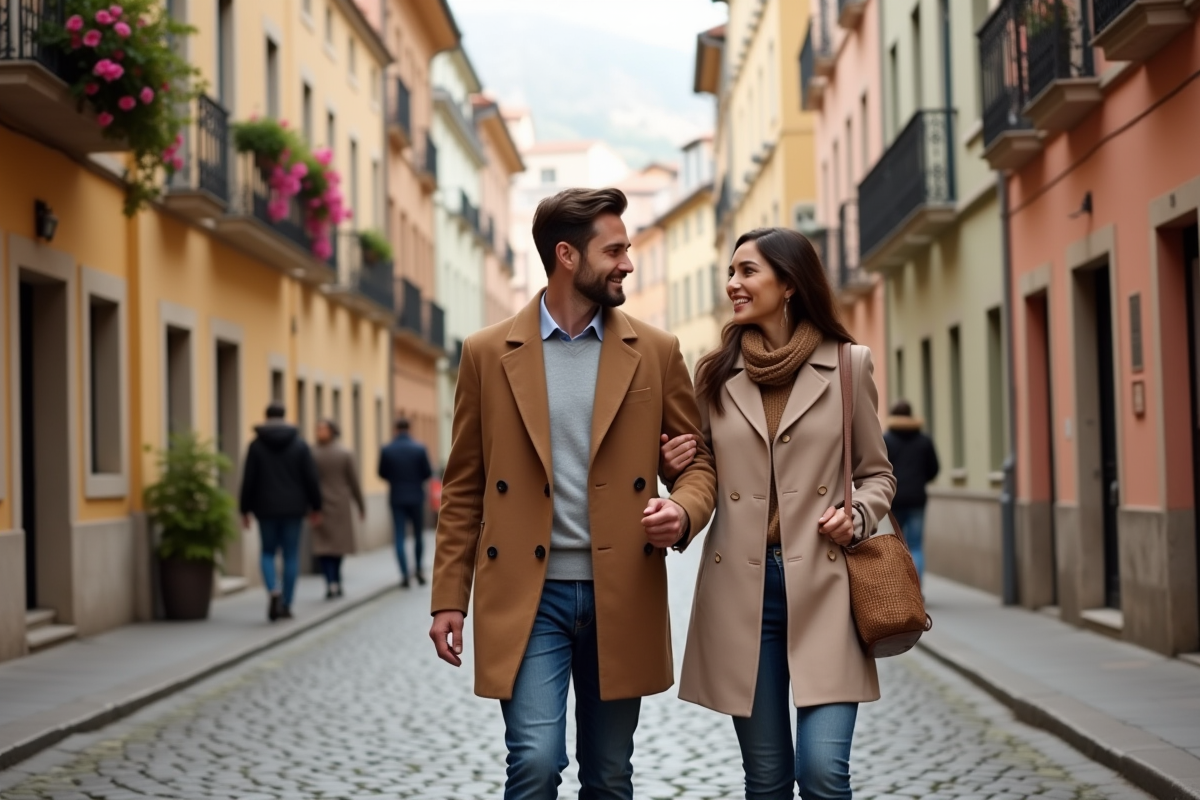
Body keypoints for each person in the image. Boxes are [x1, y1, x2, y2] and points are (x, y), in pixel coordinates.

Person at [429, 187, 717, 800]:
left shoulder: (657, 351)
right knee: (534, 761)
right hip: (528, 597)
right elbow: (464, 488)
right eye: (614, 250)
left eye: (628, 249)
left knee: (609, 774)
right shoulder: (486, 353)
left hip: (623, 591)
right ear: (566, 255)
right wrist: (448, 597)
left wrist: (683, 509)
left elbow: (699, 465)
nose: (628, 264)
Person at [661, 227, 895, 800]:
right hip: (744, 592)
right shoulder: (714, 373)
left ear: (788, 284)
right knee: (765, 781)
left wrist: (858, 514)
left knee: (821, 771)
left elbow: (878, 474)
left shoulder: (847, 365)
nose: (732, 284)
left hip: (826, 587)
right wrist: (675, 471)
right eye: (732, 272)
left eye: (747, 272)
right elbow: (705, 476)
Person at [239, 402, 322, 622]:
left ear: (265, 417)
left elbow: (248, 480)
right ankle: (286, 603)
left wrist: (244, 510)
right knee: (291, 554)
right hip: (294, 509)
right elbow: (311, 478)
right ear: (285, 417)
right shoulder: (299, 445)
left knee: (267, 551)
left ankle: (273, 589)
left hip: (265, 508)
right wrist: (316, 506)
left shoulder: (256, 446)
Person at [883, 399, 939, 584]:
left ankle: (901, 588)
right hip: (917, 499)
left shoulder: (886, 440)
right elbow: (934, 469)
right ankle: (917, 588)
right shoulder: (924, 440)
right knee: (915, 545)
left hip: (894, 499)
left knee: (896, 543)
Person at [311, 418, 365, 599]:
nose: (319, 432)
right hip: (325, 504)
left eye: (322, 429)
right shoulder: (340, 452)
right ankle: (332, 582)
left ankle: (333, 581)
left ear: (332, 431)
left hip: (333, 504)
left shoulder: (338, 453)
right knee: (327, 547)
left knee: (331, 546)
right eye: (318, 429)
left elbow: (354, 481)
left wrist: (360, 504)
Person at [378, 418, 433, 588]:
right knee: (418, 535)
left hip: (397, 496)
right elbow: (428, 472)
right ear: (409, 429)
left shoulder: (387, 450)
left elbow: (381, 473)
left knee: (400, 535)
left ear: (395, 429)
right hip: (416, 495)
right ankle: (418, 569)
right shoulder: (419, 448)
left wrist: (396, 481)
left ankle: (404, 574)